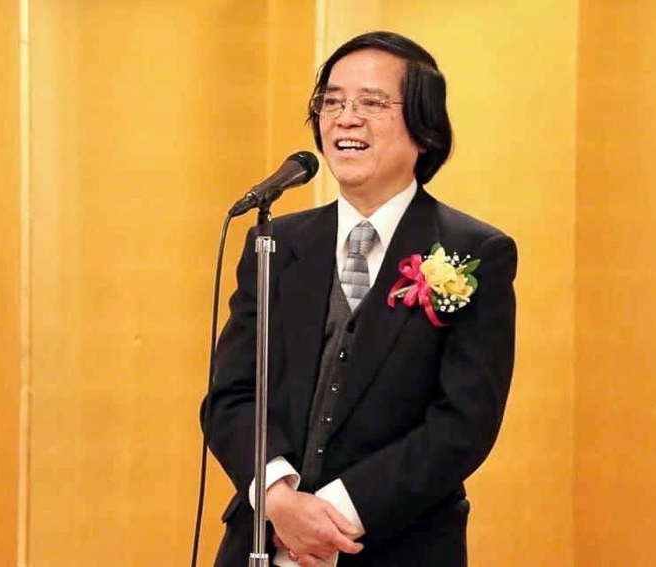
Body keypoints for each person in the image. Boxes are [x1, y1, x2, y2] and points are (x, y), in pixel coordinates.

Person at [201, 31, 517, 567]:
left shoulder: (473, 251)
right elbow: (231, 395)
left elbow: (463, 423)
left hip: (397, 546)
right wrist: (279, 499)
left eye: (371, 103)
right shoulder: (275, 243)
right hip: (264, 542)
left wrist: (332, 516)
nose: (346, 119)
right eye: (332, 103)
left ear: (424, 126)